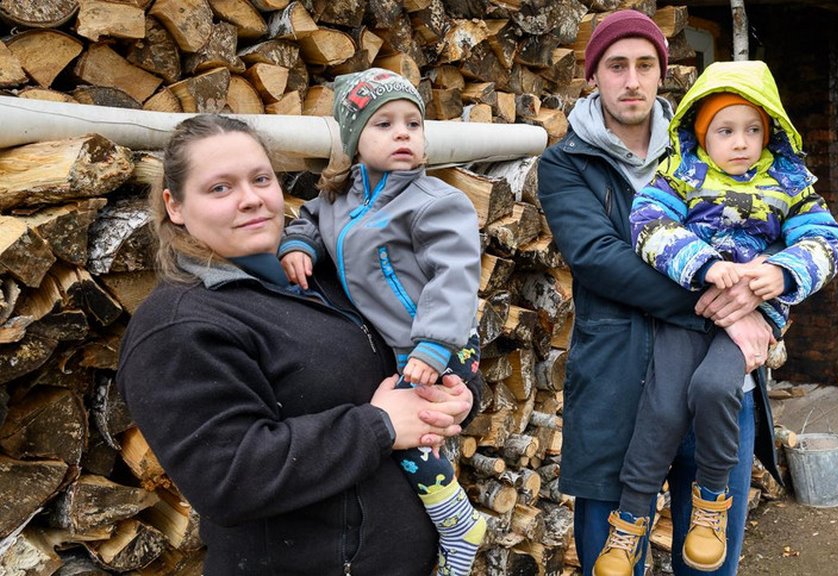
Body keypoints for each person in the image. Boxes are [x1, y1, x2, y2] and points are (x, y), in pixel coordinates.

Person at [116, 114, 479, 576]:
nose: (251, 199)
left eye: (260, 179)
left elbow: (416, 341)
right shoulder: (179, 326)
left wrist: (453, 398)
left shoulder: (323, 274)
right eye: (220, 188)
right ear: (176, 206)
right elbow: (228, 478)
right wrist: (379, 426)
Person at [536, 9, 783, 576]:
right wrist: (729, 312)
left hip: (717, 389)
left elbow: (783, 235)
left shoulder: (714, 144)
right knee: (612, 561)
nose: (632, 80)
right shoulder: (566, 163)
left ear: (662, 72)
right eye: (616, 65)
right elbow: (600, 260)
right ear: (592, 74)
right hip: (616, 385)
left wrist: (772, 297)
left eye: (645, 65)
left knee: (709, 560)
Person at [598, 60, 838, 573]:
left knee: (715, 388)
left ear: (769, 131)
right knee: (663, 407)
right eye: (726, 130)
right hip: (689, 309)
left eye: (752, 130)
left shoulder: (789, 182)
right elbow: (647, 223)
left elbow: (826, 239)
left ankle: (712, 503)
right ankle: (630, 520)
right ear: (701, 133)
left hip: (754, 312)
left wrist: (783, 271)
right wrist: (705, 265)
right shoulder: (681, 175)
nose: (740, 143)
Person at [278, 68, 486, 576]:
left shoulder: (436, 202)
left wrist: (433, 344)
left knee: (411, 432)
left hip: (439, 341)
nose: (402, 134)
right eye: (384, 124)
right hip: (400, 345)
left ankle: (457, 520)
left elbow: (455, 277)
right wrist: (299, 243)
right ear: (353, 140)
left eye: (413, 124)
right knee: (408, 429)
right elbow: (311, 217)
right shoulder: (339, 198)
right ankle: (450, 519)